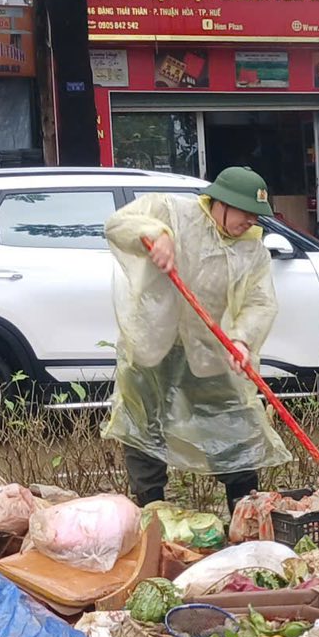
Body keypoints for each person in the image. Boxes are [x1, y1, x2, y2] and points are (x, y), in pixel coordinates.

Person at [102, 166, 292, 514]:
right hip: (153, 345)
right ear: (221, 203)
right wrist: (156, 235)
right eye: (245, 212)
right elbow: (117, 224)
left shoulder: (253, 251)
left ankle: (244, 511)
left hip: (207, 351)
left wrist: (243, 341)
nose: (250, 221)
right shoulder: (172, 212)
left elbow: (259, 301)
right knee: (144, 426)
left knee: (235, 425)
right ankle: (152, 510)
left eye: (255, 215)